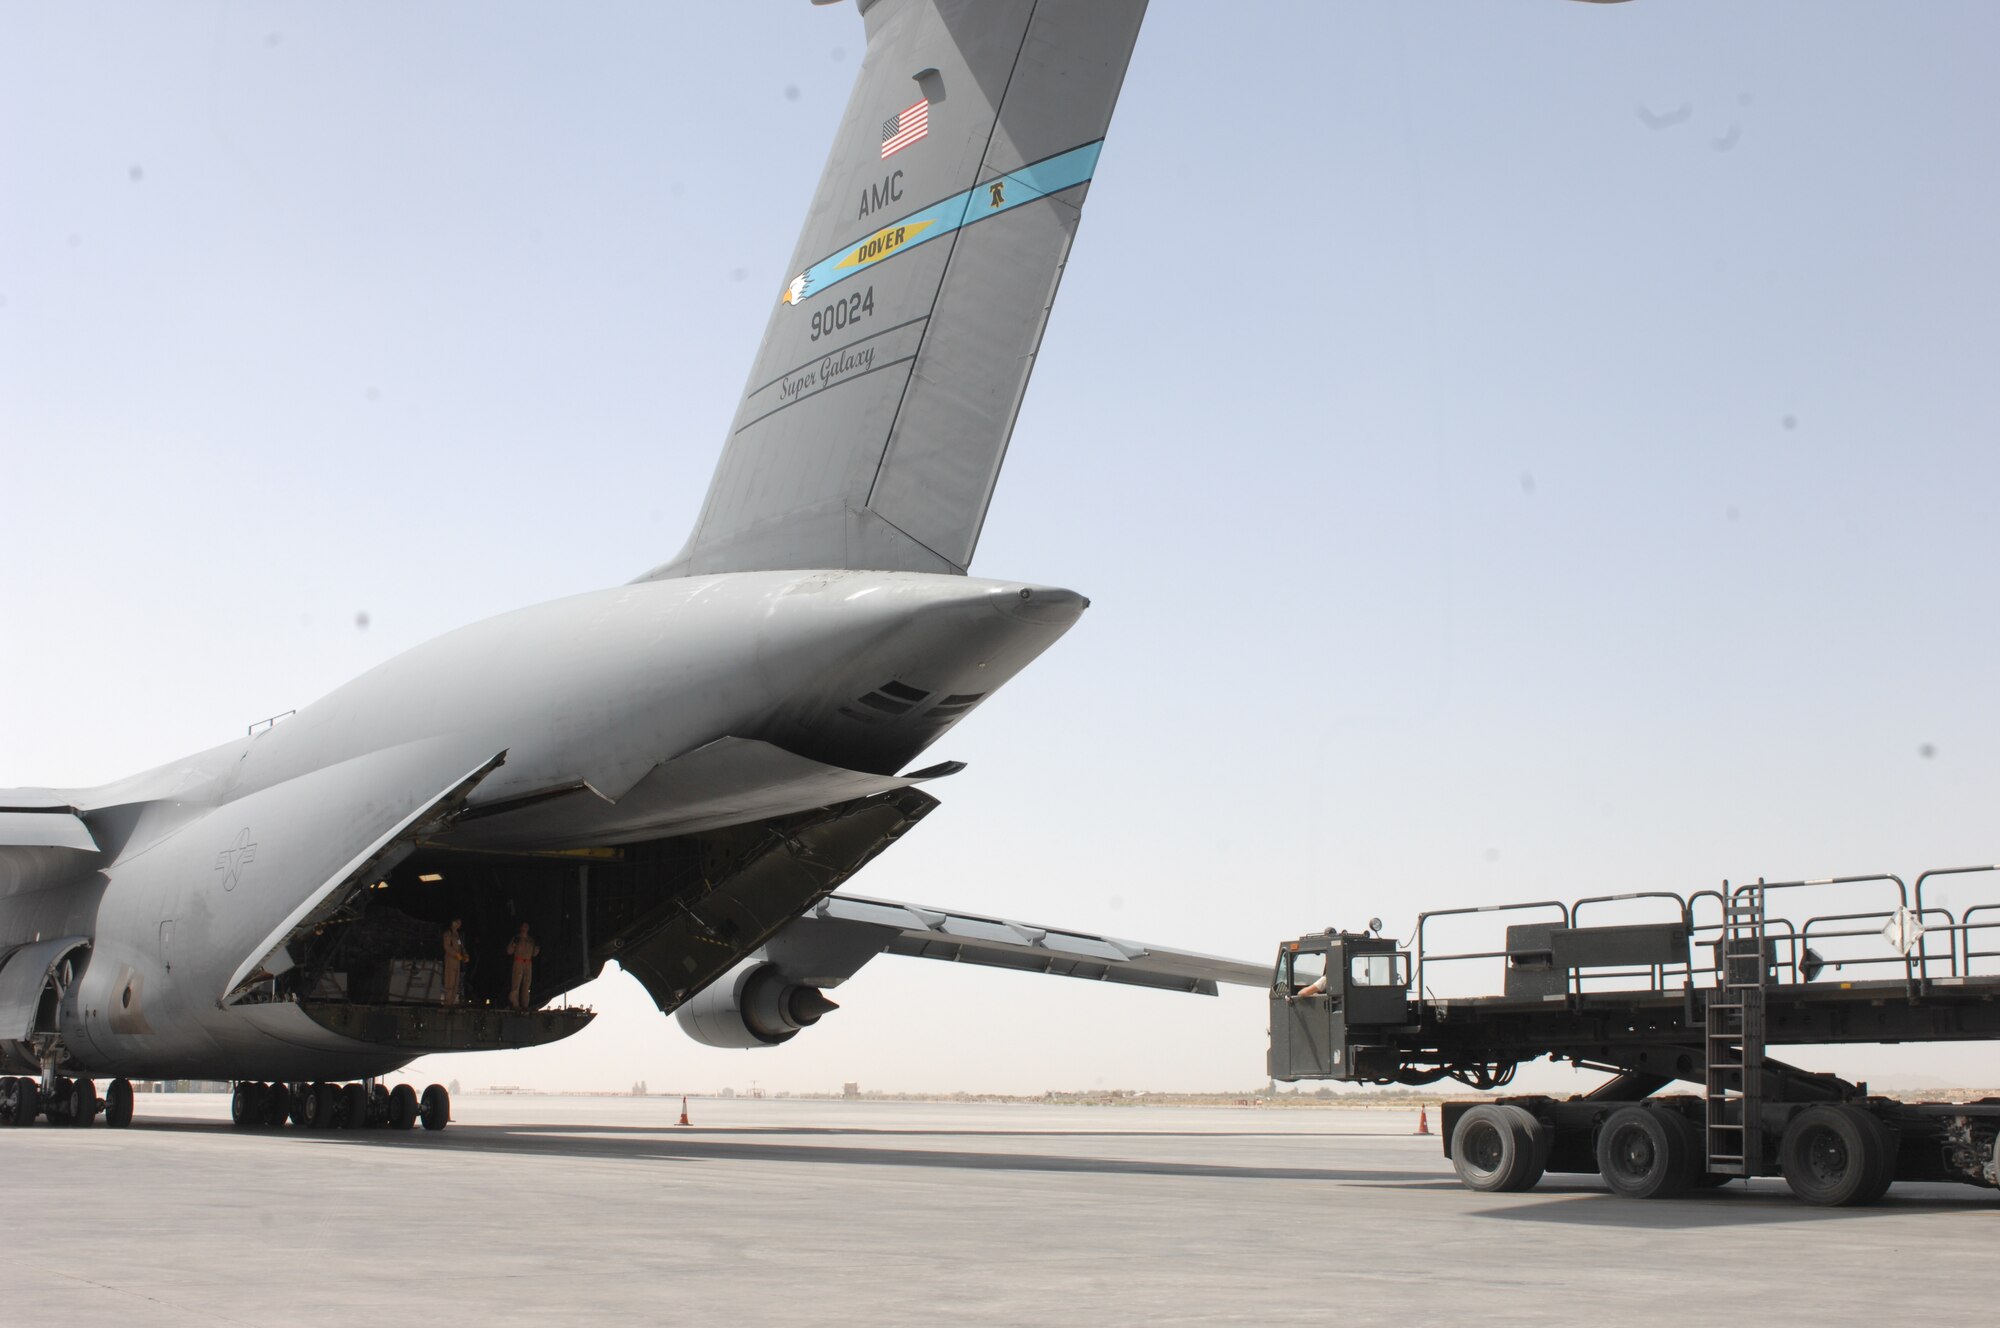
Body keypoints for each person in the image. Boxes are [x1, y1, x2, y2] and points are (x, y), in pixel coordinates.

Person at [506, 923, 540, 1011]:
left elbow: (534, 954)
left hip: (528, 963)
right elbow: (509, 951)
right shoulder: (516, 938)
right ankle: (515, 1003)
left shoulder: (531, 940)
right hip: (518, 962)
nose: (525, 928)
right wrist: (514, 944)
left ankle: (525, 1005)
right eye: (524, 926)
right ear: (520, 927)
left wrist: (537, 948)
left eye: (527, 926)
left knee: (527, 985)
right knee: (516, 984)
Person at [441, 918, 469, 1006]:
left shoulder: (457, 935)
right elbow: (447, 947)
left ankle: (452, 1002)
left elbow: (461, 946)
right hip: (450, 959)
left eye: (460, 923)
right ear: (453, 923)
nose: (459, 925)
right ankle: (447, 1003)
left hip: (458, 961)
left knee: (456, 982)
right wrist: (456, 954)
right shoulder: (448, 933)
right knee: (450, 981)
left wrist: (465, 954)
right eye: (457, 922)